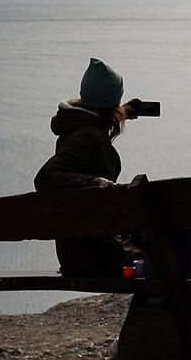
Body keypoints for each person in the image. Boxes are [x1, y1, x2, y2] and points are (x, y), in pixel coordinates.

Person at [35, 58, 140, 276]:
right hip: (96, 255)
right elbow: (44, 177)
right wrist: (93, 181)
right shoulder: (87, 138)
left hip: (76, 250)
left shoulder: (78, 126)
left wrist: (124, 112)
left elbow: (94, 129)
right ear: (111, 101)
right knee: (175, 254)